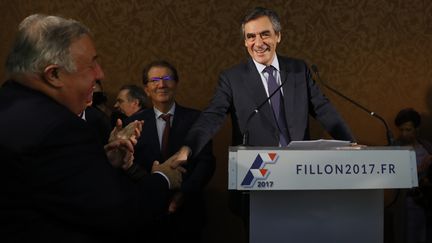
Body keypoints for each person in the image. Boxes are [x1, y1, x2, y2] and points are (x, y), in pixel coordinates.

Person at [169, 6, 355, 233]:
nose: (258, 43)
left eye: (265, 34)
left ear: (278, 35)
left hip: (300, 178)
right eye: (251, 36)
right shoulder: (232, 78)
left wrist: (350, 143)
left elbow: (324, 109)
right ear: (245, 42)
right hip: (257, 180)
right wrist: (188, 148)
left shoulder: (298, 70)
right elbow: (212, 115)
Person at [0, 14, 184, 242]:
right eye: (91, 65)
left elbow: (54, 184)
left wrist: (101, 162)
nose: (100, 74)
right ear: (54, 74)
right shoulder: (60, 129)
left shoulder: (9, 101)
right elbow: (121, 214)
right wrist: (163, 177)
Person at [125, 60, 216, 242]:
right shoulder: (134, 123)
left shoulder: (197, 120)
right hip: (147, 215)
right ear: (146, 88)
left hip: (188, 213)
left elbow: (206, 162)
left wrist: (183, 194)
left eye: (167, 78)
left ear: (176, 83)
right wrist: (154, 181)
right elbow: (128, 163)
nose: (161, 84)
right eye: (155, 80)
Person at [394, 108, 432, 243]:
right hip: (408, 201)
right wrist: (420, 168)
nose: (404, 133)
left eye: (408, 129)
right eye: (401, 129)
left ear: (417, 129)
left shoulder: (426, 147)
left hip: (426, 200)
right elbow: (394, 175)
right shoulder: (395, 148)